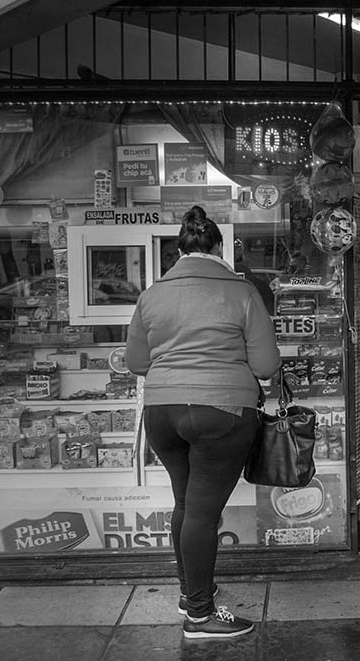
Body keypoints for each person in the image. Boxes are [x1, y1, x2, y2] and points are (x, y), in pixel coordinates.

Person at [126, 205, 280, 640]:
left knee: (186, 505)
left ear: (180, 251)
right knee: (202, 512)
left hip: (162, 413)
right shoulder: (242, 292)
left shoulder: (152, 294)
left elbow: (137, 362)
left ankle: (190, 592)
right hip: (222, 411)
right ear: (219, 247)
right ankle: (200, 614)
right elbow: (266, 365)